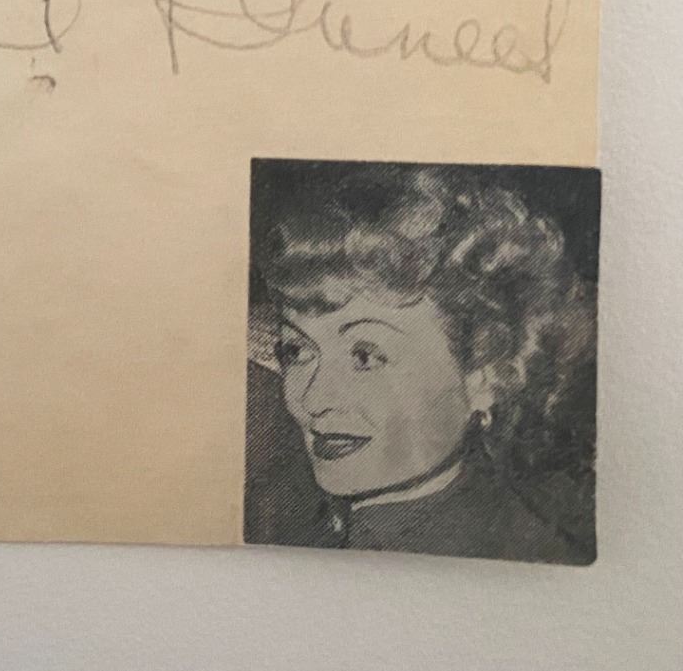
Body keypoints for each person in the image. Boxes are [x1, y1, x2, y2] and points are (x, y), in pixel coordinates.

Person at [249, 165, 595, 563]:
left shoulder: (510, 556)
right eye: (296, 351)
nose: (313, 398)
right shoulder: (286, 507)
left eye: (365, 356)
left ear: (486, 375)